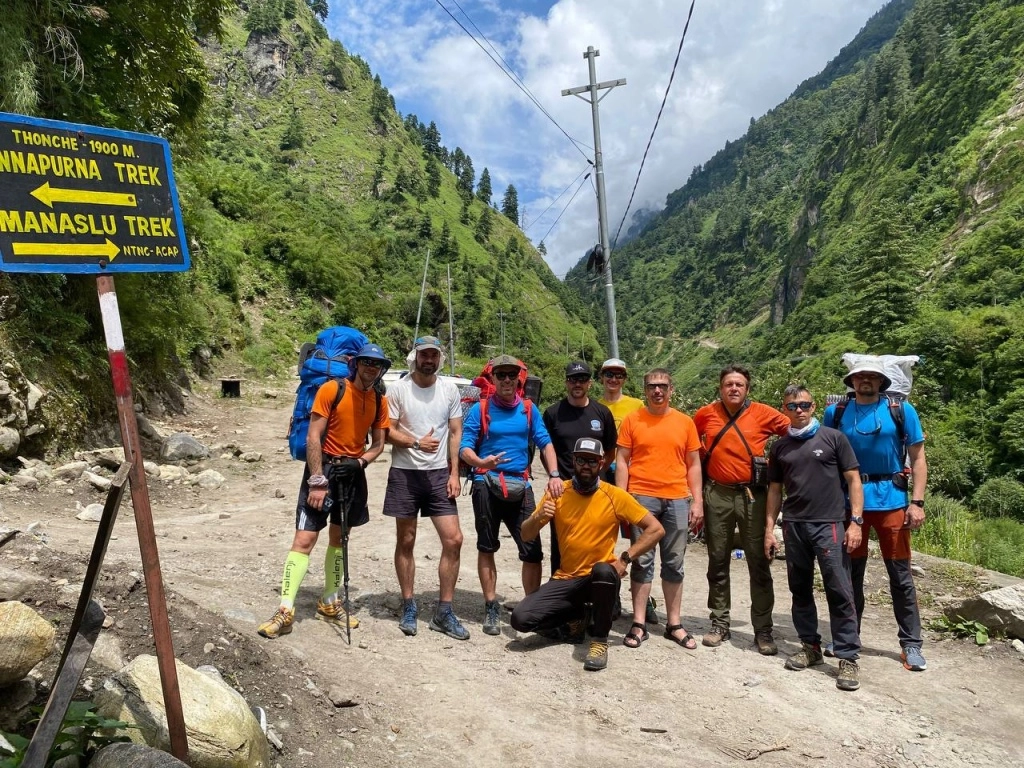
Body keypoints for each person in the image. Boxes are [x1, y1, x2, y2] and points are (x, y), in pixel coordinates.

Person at [259, 343, 391, 639]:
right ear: (355, 363)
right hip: (325, 470)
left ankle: (329, 602)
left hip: (353, 473)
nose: (371, 368)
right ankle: (284, 610)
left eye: (377, 364)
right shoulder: (333, 389)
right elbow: (313, 435)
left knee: (339, 538)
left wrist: (360, 463)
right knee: (304, 539)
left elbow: (379, 444)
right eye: (367, 362)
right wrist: (318, 479)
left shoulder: (379, 400)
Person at [512, 438, 665, 671]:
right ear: (573, 460)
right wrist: (539, 515)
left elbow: (656, 529)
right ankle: (578, 617)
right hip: (567, 578)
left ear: (601, 463)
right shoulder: (558, 491)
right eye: (581, 459)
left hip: (599, 579)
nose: (586, 465)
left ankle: (599, 640)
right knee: (521, 619)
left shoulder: (614, 495)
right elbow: (525, 535)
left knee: (604, 569)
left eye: (592, 461)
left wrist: (625, 558)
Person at [823, 360, 928, 671]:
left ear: (881, 381)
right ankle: (847, 637)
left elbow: (918, 457)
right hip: (848, 503)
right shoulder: (837, 412)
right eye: (860, 376)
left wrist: (917, 501)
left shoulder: (901, 410)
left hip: (892, 501)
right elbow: (827, 457)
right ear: (852, 381)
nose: (865, 381)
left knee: (900, 575)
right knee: (850, 575)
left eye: (871, 377)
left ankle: (911, 644)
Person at [764, 386, 864, 691]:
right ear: (784, 409)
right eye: (792, 406)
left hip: (829, 524)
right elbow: (774, 491)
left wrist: (856, 522)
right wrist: (769, 529)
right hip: (795, 525)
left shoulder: (834, 439)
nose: (799, 410)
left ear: (813, 405)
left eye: (804, 404)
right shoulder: (780, 448)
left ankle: (847, 656)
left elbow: (853, 479)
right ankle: (810, 647)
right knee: (800, 588)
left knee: (839, 588)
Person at [459, 354, 563, 636]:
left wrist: (553, 475)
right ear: (492, 379)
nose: (506, 380)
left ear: (519, 379)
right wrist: (482, 463)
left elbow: (545, 443)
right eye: (501, 375)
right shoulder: (480, 409)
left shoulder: (529, 409)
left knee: (532, 551)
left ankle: (531, 606)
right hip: (486, 483)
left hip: (521, 485)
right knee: (487, 546)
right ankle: (491, 605)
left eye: (511, 375)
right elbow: (465, 447)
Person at [693, 364, 790, 653]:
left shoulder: (763, 413)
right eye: (728, 384)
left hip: (753, 495)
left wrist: (779, 461)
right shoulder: (705, 414)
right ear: (720, 388)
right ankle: (720, 623)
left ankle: (763, 629)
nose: (733, 388)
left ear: (747, 389)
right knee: (717, 558)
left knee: (759, 561)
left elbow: (795, 430)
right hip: (717, 493)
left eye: (739, 384)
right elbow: (689, 444)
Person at [383, 336, 468, 640]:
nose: (429, 360)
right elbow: (387, 432)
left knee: (454, 539)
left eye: (434, 355)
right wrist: (417, 441)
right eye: (424, 355)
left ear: (439, 359)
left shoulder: (448, 389)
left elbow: (456, 432)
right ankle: (409, 605)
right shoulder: (398, 389)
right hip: (405, 474)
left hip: (438, 475)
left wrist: (455, 473)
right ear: (414, 357)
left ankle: (444, 611)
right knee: (406, 540)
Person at [615, 368, 703, 650]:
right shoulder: (632, 420)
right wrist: (622, 499)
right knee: (642, 560)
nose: (657, 391)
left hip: (677, 498)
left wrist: (697, 500)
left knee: (674, 562)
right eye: (652, 386)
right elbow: (623, 461)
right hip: (642, 497)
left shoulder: (685, 422)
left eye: (663, 386)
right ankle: (638, 622)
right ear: (645, 390)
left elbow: (693, 464)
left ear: (671, 390)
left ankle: (674, 624)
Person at [542, 360, 616, 574]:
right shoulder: (553, 413)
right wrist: (554, 476)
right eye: (573, 379)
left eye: (582, 379)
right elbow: (546, 451)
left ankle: (594, 595)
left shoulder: (602, 413)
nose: (578, 384)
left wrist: (598, 474)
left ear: (590, 384)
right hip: (563, 490)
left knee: (596, 542)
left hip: (595, 491)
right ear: (566, 382)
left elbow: (610, 451)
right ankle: (559, 593)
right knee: (561, 544)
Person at [596, 357, 655, 621]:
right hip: (601, 475)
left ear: (625, 379)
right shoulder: (594, 406)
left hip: (632, 476)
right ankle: (612, 593)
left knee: (638, 539)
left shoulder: (636, 405)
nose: (613, 379)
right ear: (601, 377)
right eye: (609, 374)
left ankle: (645, 601)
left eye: (619, 375)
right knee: (603, 535)